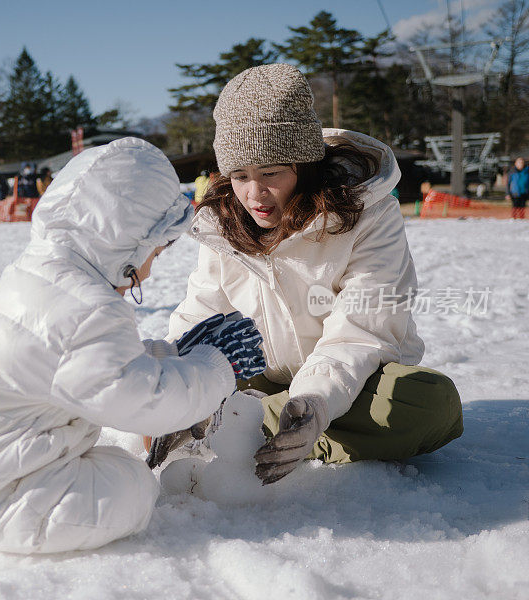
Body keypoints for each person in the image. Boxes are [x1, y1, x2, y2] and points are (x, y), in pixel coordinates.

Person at [0, 137, 265, 554]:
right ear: (128, 242)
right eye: (154, 254)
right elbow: (144, 402)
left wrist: (173, 356)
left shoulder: (41, 276)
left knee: (111, 467)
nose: (147, 270)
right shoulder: (88, 309)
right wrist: (217, 365)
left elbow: (83, 364)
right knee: (133, 489)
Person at [154, 64, 463, 484]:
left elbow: (361, 330)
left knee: (431, 403)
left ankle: (253, 428)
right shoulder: (224, 221)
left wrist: (313, 405)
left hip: (354, 376)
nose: (254, 195)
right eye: (240, 175)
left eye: (271, 174)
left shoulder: (370, 214)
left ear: (304, 163)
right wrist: (175, 396)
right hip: (262, 371)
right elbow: (203, 313)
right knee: (179, 384)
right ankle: (243, 422)